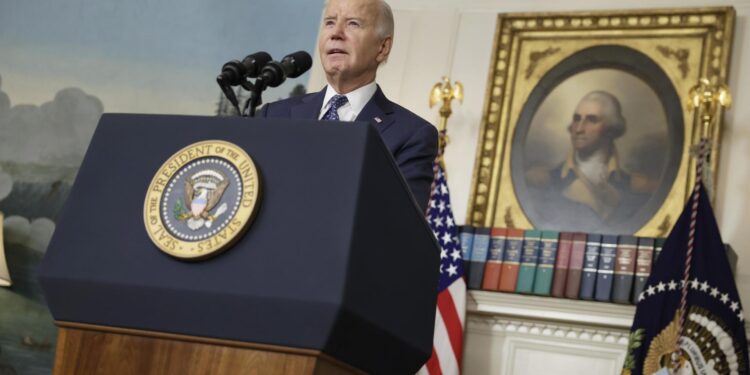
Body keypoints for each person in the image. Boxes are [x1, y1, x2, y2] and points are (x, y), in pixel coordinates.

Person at [258, 0, 438, 211]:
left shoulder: (411, 135)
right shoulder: (275, 115)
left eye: (353, 23)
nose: (336, 33)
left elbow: (399, 225)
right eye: (330, 23)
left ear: (382, 47)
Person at [525, 90, 655, 233]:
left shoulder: (639, 188)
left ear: (610, 129)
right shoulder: (542, 181)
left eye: (592, 120)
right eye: (576, 119)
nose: (579, 129)